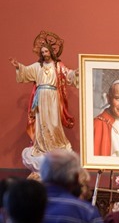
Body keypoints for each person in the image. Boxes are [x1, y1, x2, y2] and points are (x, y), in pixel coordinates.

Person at [9, 42, 78, 173]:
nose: (44, 54)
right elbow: (26, 72)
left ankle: (56, 145)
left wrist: (75, 73)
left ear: (51, 52)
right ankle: (42, 146)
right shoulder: (37, 66)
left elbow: (68, 75)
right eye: (42, 52)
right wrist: (18, 66)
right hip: (41, 97)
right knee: (41, 122)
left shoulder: (58, 66)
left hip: (53, 97)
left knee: (54, 122)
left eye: (46, 52)